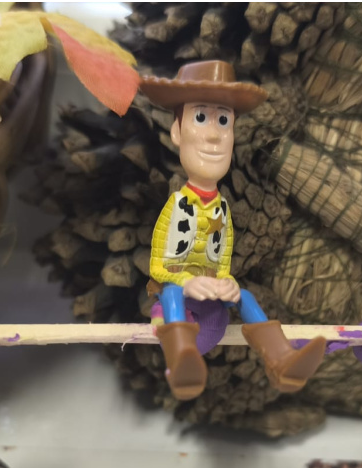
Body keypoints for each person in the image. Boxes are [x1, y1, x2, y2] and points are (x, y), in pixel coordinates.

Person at [139, 61, 326, 400]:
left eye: (224, 121)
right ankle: (181, 363)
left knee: (246, 296)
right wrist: (188, 282)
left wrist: (225, 283)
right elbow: (159, 267)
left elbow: (221, 263)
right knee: (171, 292)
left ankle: (281, 361)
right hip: (176, 308)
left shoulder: (222, 209)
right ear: (177, 132)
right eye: (200, 117)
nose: (214, 135)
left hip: (211, 313)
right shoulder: (177, 206)